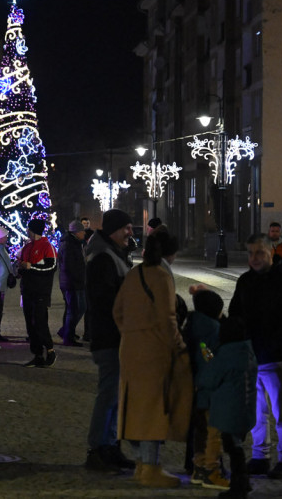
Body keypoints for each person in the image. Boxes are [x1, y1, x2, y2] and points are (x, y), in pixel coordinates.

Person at [112, 227, 192, 488]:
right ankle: (150, 467)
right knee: (154, 410)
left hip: (130, 348)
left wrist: (131, 333)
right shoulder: (161, 275)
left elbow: (118, 311)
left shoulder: (135, 273)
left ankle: (140, 464)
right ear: (173, 253)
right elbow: (167, 318)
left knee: (134, 408)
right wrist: (179, 346)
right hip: (154, 351)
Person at [228, 233, 282, 480]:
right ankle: (261, 456)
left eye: (259, 253)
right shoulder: (245, 281)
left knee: (281, 411)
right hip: (251, 356)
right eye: (251, 253)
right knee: (256, 411)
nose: (254, 258)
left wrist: (275, 340)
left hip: (276, 356)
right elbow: (235, 313)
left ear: (271, 253)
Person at [84, 209, 136, 472]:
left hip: (118, 335)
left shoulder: (113, 254)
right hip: (110, 336)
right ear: (114, 230)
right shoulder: (104, 258)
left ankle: (111, 445)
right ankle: (98, 448)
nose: (130, 232)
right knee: (108, 394)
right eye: (126, 228)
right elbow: (105, 300)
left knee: (116, 395)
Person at [197, 316, 258, 499]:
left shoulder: (226, 354)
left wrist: (206, 357)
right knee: (237, 445)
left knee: (233, 449)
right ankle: (243, 482)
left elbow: (208, 379)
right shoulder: (248, 352)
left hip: (228, 411)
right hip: (246, 409)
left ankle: (238, 486)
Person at [184, 287, 229, 489]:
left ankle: (199, 467)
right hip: (211, 389)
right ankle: (212, 471)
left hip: (196, 389)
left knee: (201, 431)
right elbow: (209, 357)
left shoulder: (194, 325)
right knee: (214, 433)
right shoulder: (212, 330)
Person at [18, 219, 58, 367]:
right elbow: (24, 268)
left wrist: (31, 267)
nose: (27, 231)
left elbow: (51, 268)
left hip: (41, 291)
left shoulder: (48, 247)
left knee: (40, 322)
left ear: (33, 230)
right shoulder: (27, 247)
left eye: (29, 229)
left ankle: (50, 350)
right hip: (27, 291)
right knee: (30, 324)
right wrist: (20, 270)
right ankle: (37, 355)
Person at [57, 219, 87, 346]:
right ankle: (67, 336)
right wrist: (79, 278)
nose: (84, 233)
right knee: (74, 309)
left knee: (77, 308)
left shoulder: (73, 243)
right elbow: (70, 266)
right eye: (82, 231)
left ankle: (66, 331)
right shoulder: (70, 244)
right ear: (77, 232)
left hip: (73, 282)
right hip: (72, 283)